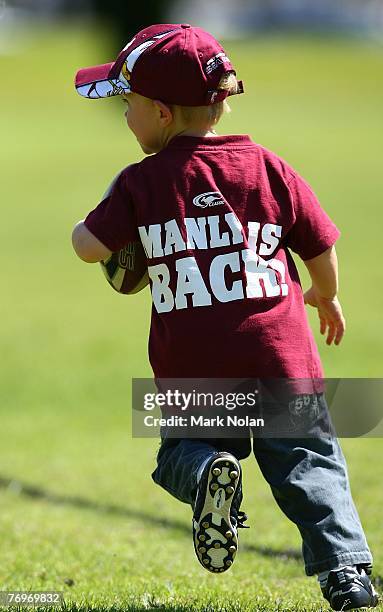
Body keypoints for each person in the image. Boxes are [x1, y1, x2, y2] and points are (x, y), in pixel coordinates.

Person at [72, 24, 378, 610]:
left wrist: (89, 225)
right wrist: (326, 294)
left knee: (179, 451)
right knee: (310, 464)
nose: (125, 117)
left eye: (127, 105)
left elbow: (90, 246)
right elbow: (319, 243)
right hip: (282, 361)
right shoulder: (267, 165)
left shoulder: (142, 181)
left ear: (160, 113)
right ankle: (348, 577)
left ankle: (209, 466)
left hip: (197, 370)